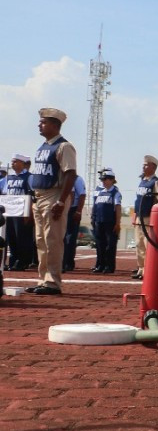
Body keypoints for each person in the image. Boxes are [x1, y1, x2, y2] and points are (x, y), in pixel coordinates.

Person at [25, 107, 79, 295]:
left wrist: (61, 201)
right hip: (39, 196)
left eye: (43, 122)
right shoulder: (43, 147)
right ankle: (43, 279)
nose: (39, 125)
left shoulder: (64, 146)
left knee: (52, 240)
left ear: (55, 125)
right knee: (41, 240)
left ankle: (53, 282)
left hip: (54, 195)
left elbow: (70, 174)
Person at [130, 155, 158, 280]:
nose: (143, 167)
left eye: (146, 165)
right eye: (143, 165)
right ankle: (141, 268)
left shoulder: (156, 182)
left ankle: (148, 270)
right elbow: (137, 200)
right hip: (139, 216)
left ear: (153, 167)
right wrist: (134, 215)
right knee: (139, 244)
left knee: (147, 244)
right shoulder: (142, 181)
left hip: (149, 218)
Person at [2, 154, 35, 271]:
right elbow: (5, 194)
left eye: (15, 161)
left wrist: (29, 212)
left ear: (22, 163)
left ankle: (22, 262)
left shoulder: (29, 177)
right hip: (10, 211)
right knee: (11, 237)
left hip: (22, 212)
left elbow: (32, 195)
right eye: (12, 161)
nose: (12, 164)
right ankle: (13, 261)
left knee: (22, 237)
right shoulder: (9, 178)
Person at [90, 169, 121, 273]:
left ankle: (109, 266)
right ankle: (100, 265)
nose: (103, 181)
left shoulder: (115, 192)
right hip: (99, 222)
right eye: (102, 179)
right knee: (100, 245)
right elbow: (95, 206)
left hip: (110, 222)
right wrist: (93, 218)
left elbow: (118, 208)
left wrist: (117, 223)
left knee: (110, 245)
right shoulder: (100, 192)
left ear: (111, 180)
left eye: (105, 179)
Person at [61, 174, 86, 272]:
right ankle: (61, 262)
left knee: (70, 238)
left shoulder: (77, 179)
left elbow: (81, 195)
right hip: (62, 209)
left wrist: (78, 211)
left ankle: (68, 263)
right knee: (60, 238)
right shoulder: (59, 176)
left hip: (72, 210)